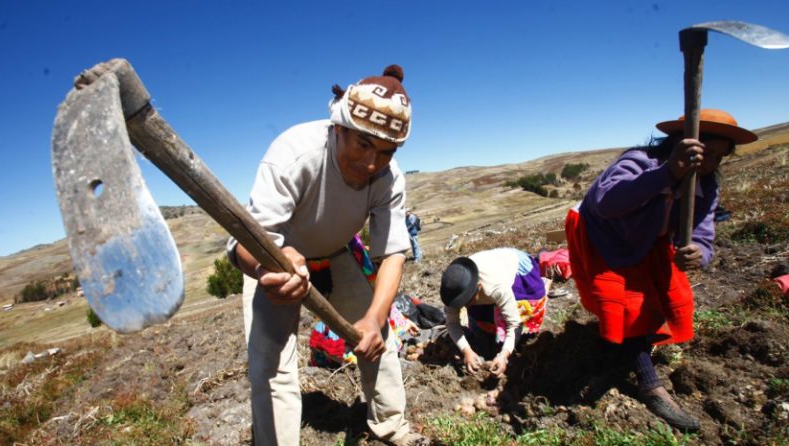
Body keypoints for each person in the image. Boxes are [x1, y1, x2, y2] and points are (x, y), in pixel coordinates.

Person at [227, 65, 427, 446]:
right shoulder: (293, 153)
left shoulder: (389, 178)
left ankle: (390, 424)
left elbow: (393, 254)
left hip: (338, 252)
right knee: (270, 365)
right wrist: (270, 270)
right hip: (277, 259)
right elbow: (243, 244)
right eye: (363, 144)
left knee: (376, 337)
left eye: (386, 152)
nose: (371, 163)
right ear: (338, 127)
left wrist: (373, 317)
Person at [565, 109, 757, 432]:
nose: (709, 164)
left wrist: (699, 252)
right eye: (705, 153)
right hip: (604, 233)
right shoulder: (640, 162)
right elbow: (607, 202)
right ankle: (649, 384)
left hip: (647, 238)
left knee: (666, 291)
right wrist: (668, 173)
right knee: (626, 299)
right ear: (682, 144)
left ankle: (629, 348)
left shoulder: (706, 184)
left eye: (718, 158)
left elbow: (703, 232)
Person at [439, 248, 550, 377]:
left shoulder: (497, 287)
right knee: (481, 316)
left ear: (479, 287)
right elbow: (452, 324)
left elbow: (514, 324)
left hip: (515, 267)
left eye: (467, 302)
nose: (463, 306)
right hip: (489, 267)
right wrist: (467, 351)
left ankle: (518, 344)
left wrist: (504, 355)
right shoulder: (452, 290)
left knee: (523, 312)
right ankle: (493, 339)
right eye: (461, 303)